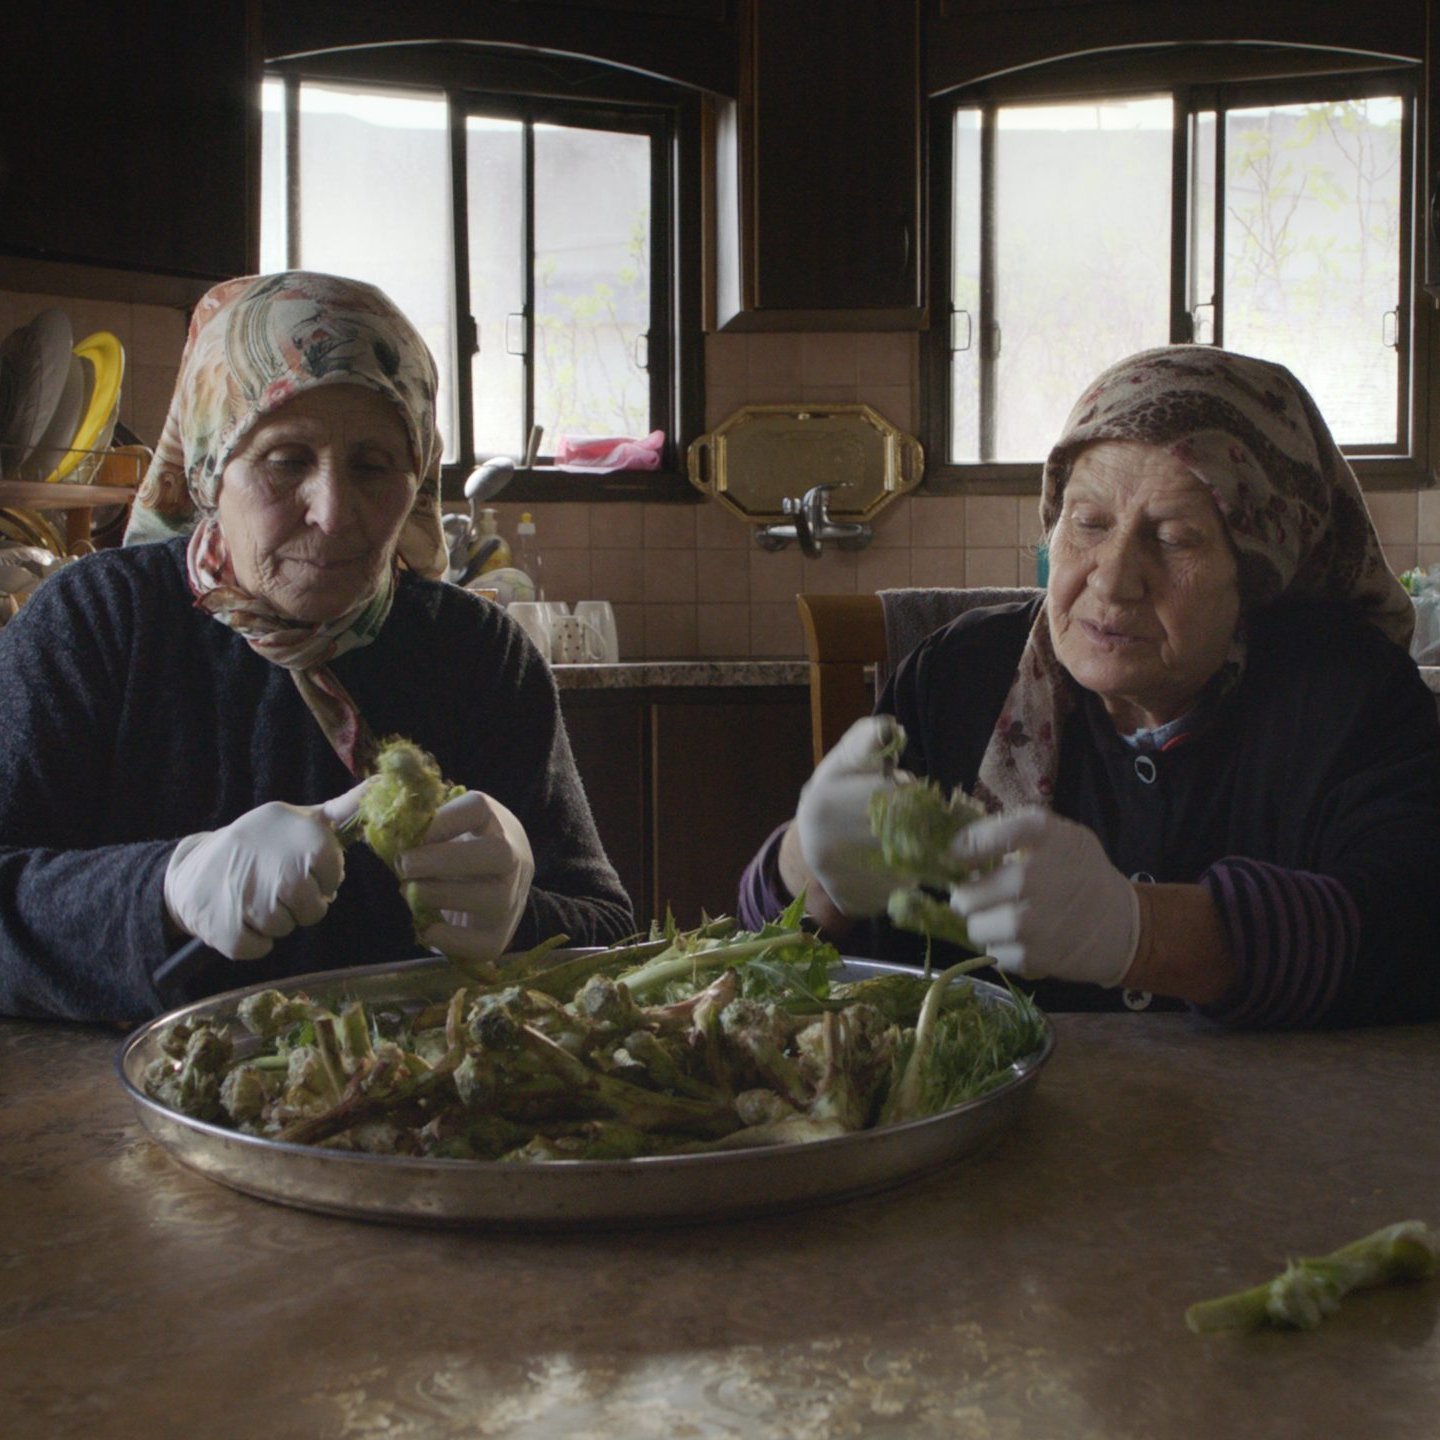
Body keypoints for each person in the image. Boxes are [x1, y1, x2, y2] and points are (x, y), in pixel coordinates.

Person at [742, 345, 1440, 1028]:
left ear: (1260, 569)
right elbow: (770, 965)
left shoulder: (1348, 692)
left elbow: (1406, 929)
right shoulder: (955, 675)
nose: (1111, 579)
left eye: (1172, 538)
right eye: (1088, 523)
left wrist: (1142, 933)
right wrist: (804, 867)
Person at [0, 271, 633, 1021]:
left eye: (373, 465)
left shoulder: (477, 655)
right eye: (286, 459)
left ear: (419, 476)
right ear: (209, 470)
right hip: (112, 1112)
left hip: (412, 1112)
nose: (334, 513)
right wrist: (168, 888)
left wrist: (519, 916)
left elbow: (608, 937)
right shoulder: (96, 622)